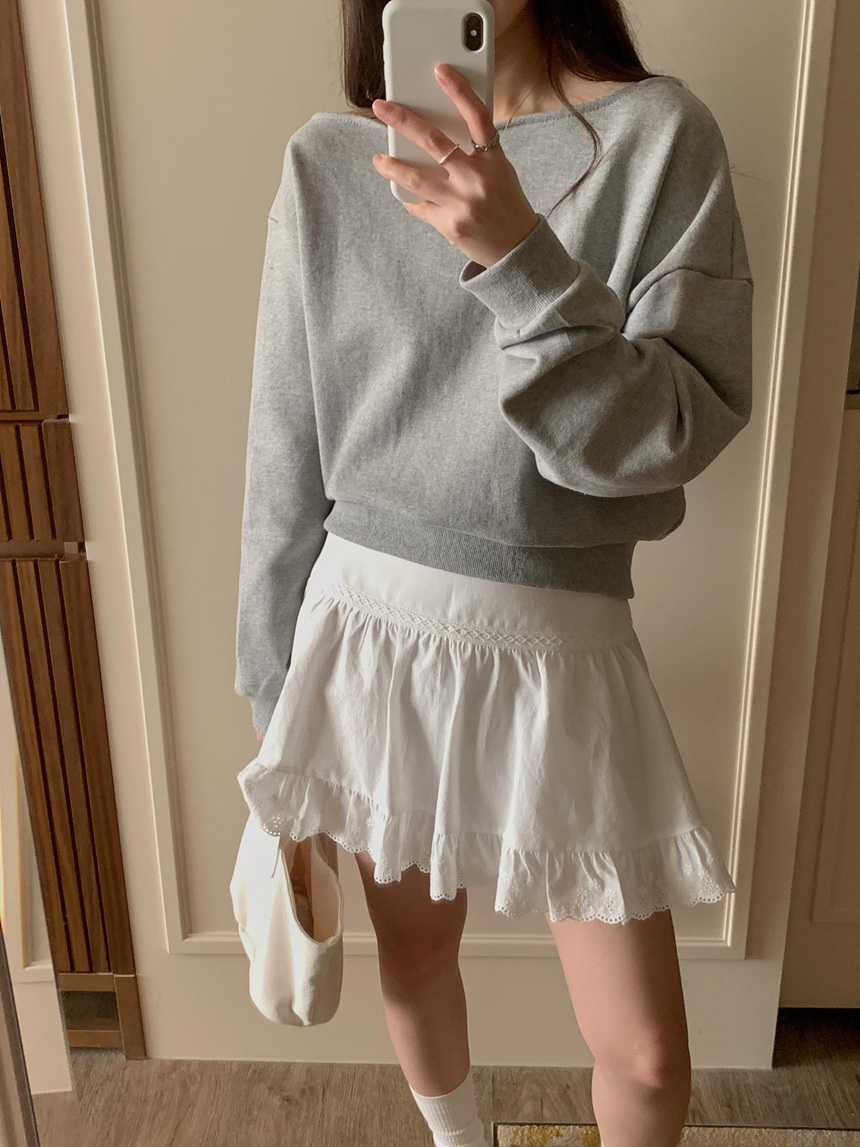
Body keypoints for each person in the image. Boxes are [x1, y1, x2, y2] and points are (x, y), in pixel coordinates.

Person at [233, 2, 754, 1145]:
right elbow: (285, 441)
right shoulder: (332, 161)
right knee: (416, 953)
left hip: (559, 636)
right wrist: (273, 688)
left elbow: (668, 436)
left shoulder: (657, 138)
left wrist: (521, 261)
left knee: (645, 1055)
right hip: (363, 627)